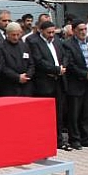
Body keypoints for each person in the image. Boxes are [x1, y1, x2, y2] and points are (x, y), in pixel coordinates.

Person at [27, 21, 69, 150]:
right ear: (41, 31)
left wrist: (62, 67)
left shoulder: (57, 41)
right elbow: (39, 62)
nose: (51, 35)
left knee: (59, 112)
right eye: (48, 32)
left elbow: (65, 55)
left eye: (53, 32)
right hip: (44, 83)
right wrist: (55, 69)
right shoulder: (34, 42)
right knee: (45, 114)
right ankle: (45, 140)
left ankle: (59, 140)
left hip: (58, 81)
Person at [63, 20, 88, 150]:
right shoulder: (68, 44)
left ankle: (87, 138)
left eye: (85, 29)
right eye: (80, 29)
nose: (83, 32)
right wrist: (85, 74)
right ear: (73, 31)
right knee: (75, 113)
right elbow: (70, 64)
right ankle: (75, 139)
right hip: (76, 83)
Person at [0, 22, 34, 97]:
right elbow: (2, 67)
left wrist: (28, 75)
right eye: (13, 35)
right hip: (9, 87)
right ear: (7, 34)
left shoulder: (24, 46)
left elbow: (31, 64)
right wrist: (18, 77)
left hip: (26, 85)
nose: (15, 37)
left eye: (18, 35)